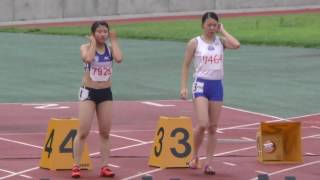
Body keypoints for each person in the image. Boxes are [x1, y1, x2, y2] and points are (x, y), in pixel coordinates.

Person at [180, 12, 240, 175]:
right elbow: (185, 65)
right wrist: (183, 87)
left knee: (213, 127)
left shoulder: (221, 41)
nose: (212, 28)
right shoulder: (195, 43)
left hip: (217, 86)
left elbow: (236, 45)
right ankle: (194, 156)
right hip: (200, 84)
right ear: (203, 26)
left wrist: (223, 31)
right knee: (202, 124)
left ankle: (209, 163)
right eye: (209, 25)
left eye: (215, 25)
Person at [72, 21, 123, 178]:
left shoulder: (109, 48)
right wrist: (93, 43)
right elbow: (88, 59)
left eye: (105, 32)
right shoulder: (85, 47)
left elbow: (119, 58)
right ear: (93, 33)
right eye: (99, 32)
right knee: (83, 131)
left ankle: (105, 166)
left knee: (105, 132)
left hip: (105, 93)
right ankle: (76, 165)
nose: (102, 34)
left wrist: (114, 41)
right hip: (89, 92)